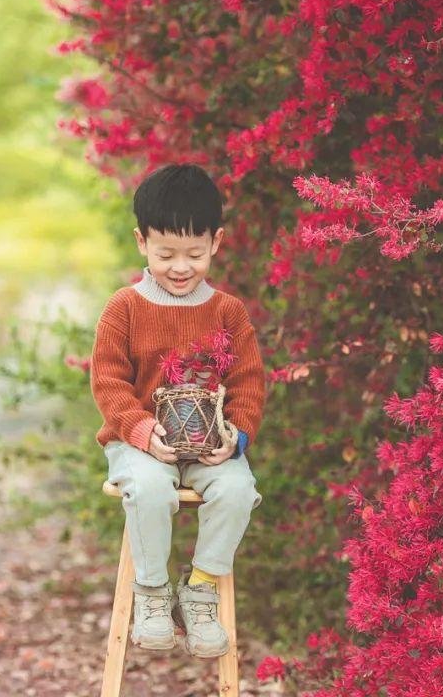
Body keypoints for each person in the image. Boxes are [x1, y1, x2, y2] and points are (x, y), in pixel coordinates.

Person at [89, 164, 265, 658]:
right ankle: (150, 592)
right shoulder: (123, 307)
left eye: (194, 253)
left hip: (208, 448)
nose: (180, 267)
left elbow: (248, 382)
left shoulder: (227, 312)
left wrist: (237, 436)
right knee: (147, 488)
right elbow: (107, 382)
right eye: (166, 253)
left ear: (216, 243)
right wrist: (142, 431)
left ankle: (201, 589)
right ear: (142, 242)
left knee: (237, 489)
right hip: (139, 444)